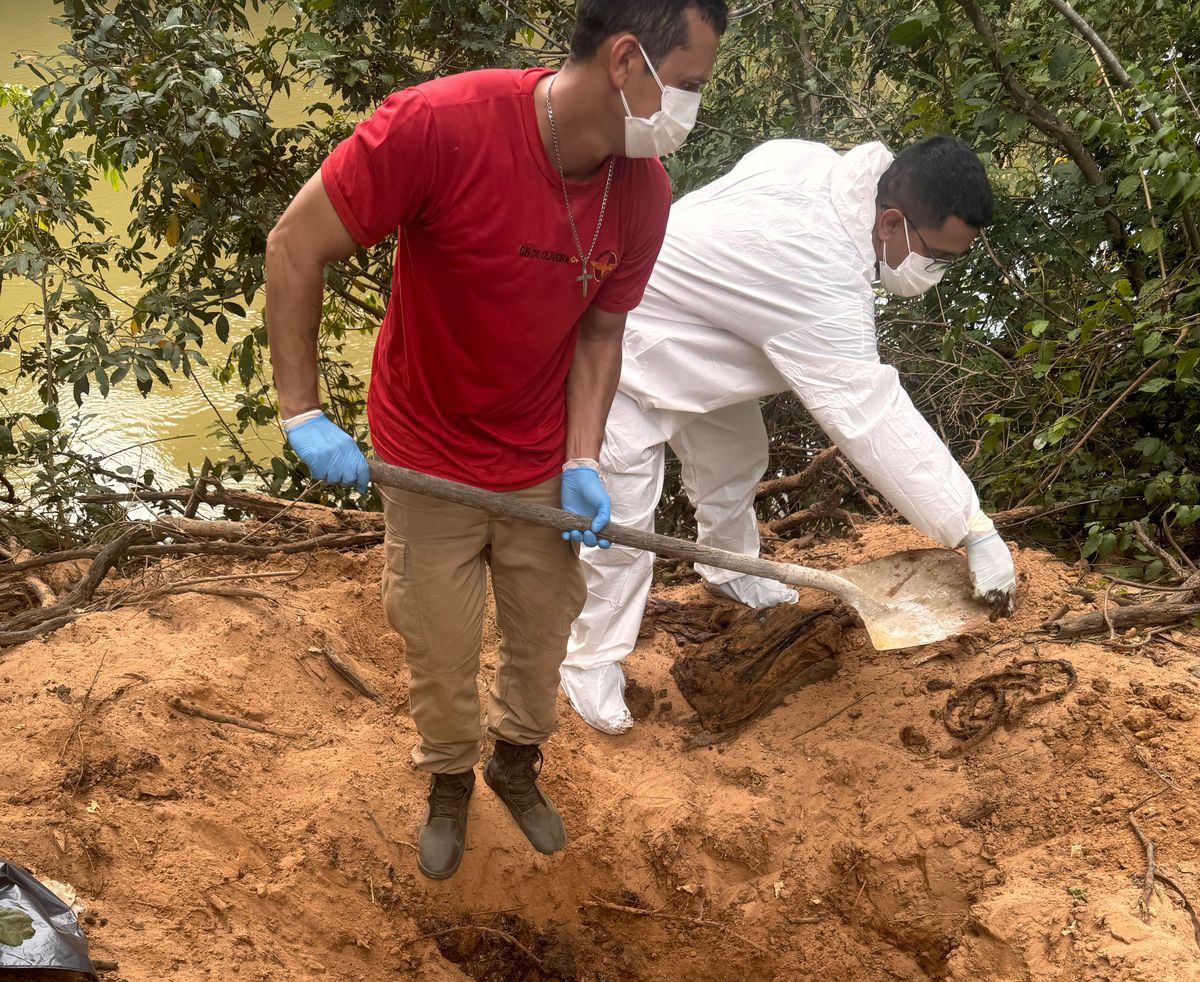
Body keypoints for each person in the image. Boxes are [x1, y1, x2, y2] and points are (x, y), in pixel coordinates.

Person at [265, 2, 726, 876]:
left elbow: (599, 334)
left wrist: (583, 457)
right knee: (439, 643)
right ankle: (448, 780)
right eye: (690, 86)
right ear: (629, 60)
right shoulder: (442, 126)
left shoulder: (643, 191)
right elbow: (295, 244)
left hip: (539, 458)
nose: (690, 113)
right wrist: (301, 410)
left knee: (543, 627)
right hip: (424, 452)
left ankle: (517, 763)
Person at [559, 135, 1018, 735]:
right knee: (622, 526)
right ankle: (590, 661)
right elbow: (869, 413)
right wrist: (970, 526)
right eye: (938, 256)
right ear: (891, 221)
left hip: (703, 338)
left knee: (737, 455)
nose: (938, 272)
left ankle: (727, 568)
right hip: (622, 350)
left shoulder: (815, 167)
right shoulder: (815, 267)